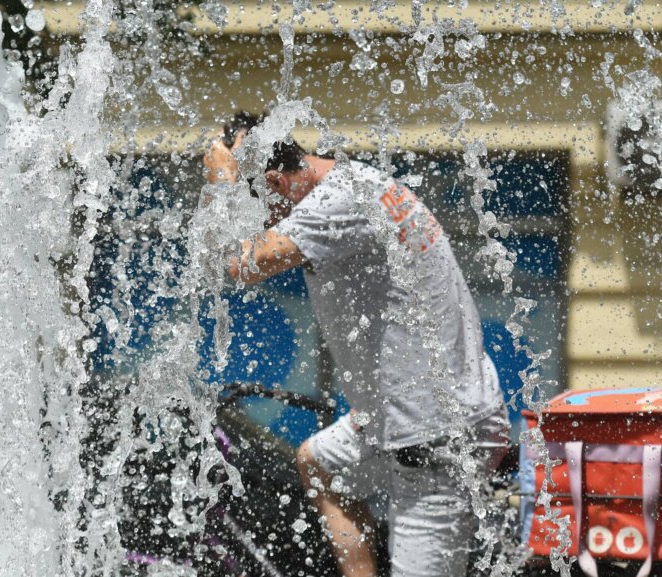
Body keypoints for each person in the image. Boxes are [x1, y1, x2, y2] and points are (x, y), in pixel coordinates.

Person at [203, 111, 510, 577]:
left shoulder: (336, 202)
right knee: (321, 462)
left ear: (276, 183)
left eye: (258, 211)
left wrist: (224, 180)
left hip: (436, 442)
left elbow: (239, 264)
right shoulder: (356, 182)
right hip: (426, 417)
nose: (262, 225)